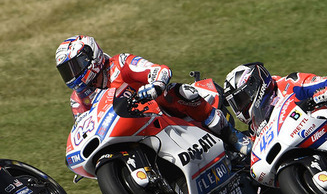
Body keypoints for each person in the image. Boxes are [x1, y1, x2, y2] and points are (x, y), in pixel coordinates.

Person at [54, 35, 251, 155]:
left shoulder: (120, 64)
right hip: (125, 133)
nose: (73, 75)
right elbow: (84, 129)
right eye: (67, 72)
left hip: (157, 114)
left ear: (91, 56)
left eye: (75, 67)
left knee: (179, 92)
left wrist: (155, 85)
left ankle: (233, 137)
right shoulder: (77, 100)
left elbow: (159, 70)